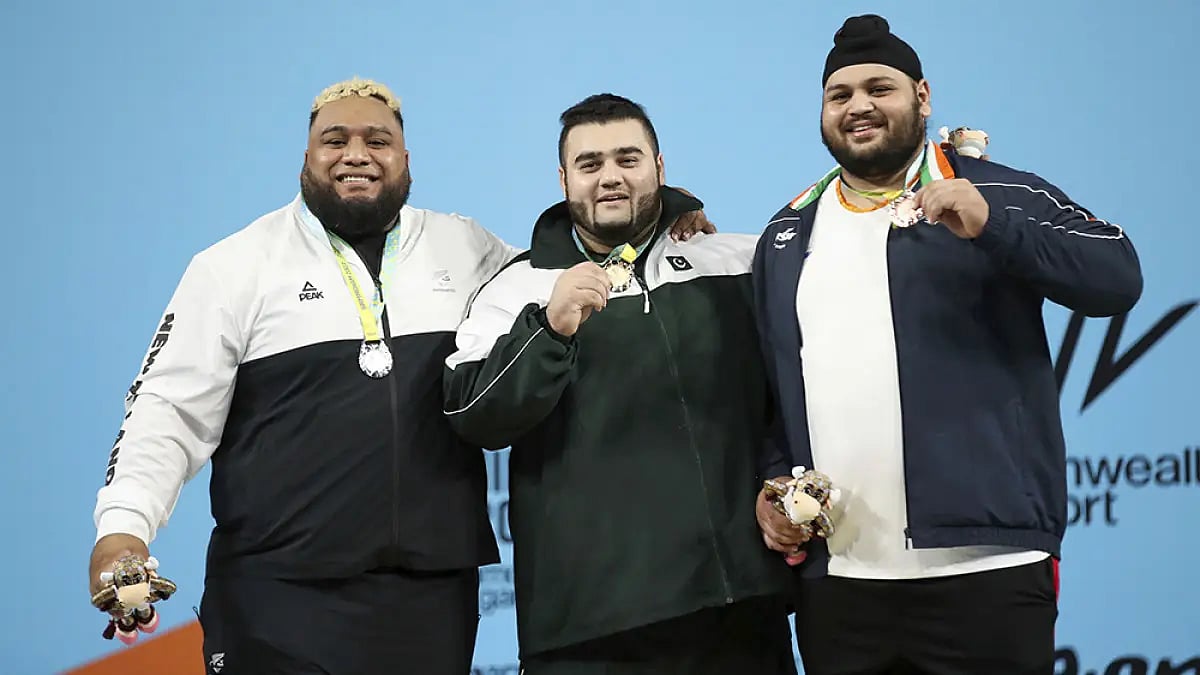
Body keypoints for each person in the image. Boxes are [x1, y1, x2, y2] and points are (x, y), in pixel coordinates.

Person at [86, 77, 713, 674]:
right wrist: (123, 527)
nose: (356, 154)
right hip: (277, 591)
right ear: (305, 157)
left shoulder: (467, 249)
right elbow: (167, 408)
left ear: (406, 156)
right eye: (335, 140)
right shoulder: (233, 267)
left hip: (432, 593)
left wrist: (669, 213)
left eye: (377, 140)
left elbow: (567, 254)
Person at [751, 14, 1143, 675]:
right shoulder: (787, 235)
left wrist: (995, 226)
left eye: (881, 87)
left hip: (987, 570)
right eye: (840, 94)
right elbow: (774, 395)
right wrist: (771, 488)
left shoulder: (992, 190)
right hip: (843, 585)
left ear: (923, 97)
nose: (860, 106)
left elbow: (1117, 276)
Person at [442, 93, 797, 674]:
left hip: (737, 618)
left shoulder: (734, 261)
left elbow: (794, 400)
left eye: (628, 159)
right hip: (587, 632)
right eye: (590, 164)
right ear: (563, 180)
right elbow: (472, 415)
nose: (609, 177)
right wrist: (549, 329)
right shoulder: (519, 287)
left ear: (660, 168)